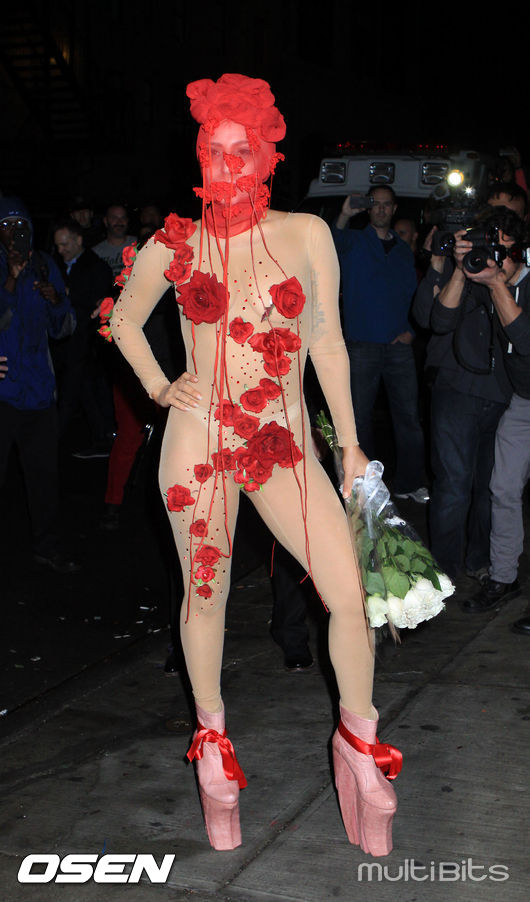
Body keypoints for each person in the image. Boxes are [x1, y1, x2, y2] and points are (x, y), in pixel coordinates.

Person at [109, 74, 402, 856]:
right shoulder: (175, 243)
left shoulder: (305, 233)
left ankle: (359, 746)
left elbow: (329, 343)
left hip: (283, 441)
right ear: (200, 156)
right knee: (204, 598)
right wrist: (159, 387)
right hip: (197, 441)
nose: (229, 165)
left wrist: (351, 444)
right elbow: (125, 320)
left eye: (243, 151)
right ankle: (213, 754)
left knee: (348, 595)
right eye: (216, 150)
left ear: (268, 156)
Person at [431, 208, 530, 618]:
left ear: (519, 251)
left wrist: (496, 285)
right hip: (522, 402)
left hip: (513, 398)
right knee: (501, 490)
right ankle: (503, 578)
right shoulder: (484, 279)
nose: (493, 259)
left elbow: (524, 340)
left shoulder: (512, 284)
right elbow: (438, 320)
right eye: (490, 249)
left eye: (501, 251)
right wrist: (460, 269)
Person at [412, 214, 513, 581]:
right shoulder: (447, 269)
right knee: (453, 485)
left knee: (489, 487)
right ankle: (445, 570)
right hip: (454, 390)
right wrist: (448, 265)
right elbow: (431, 319)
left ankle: (479, 560)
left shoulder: (504, 270)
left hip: (501, 392)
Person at [332, 187, 428, 503]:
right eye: (376, 204)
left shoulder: (402, 249)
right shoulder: (354, 241)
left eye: (387, 205)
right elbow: (330, 240)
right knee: (359, 420)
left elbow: (414, 295)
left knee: (409, 419)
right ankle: (364, 486)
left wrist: (412, 330)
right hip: (362, 345)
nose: (382, 209)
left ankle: (410, 483)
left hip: (398, 346)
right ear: (369, 208)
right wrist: (345, 213)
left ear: (394, 208)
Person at [0, 197, 79, 573]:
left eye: (20, 224)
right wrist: (11, 281)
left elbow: (64, 329)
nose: (14, 231)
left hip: (40, 393)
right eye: (6, 225)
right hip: (3, 393)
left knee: (44, 478)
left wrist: (57, 300)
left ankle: (47, 548)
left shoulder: (45, 264)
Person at [53, 218, 115, 452]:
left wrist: (68, 294)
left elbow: (98, 301)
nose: (61, 250)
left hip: (86, 343)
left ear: (78, 240)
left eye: (65, 244)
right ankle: (102, 437)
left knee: (77, 392)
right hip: (66, 342)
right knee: (83, 391)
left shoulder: (96, 266)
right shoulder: (57, 265)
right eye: (58, 245)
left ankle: (53, 441)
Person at [93, 204, 137, 278]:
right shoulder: (95, 253)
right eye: (114, 218)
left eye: (123, 217)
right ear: (105, 221)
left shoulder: (140, 244)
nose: (119, 222)